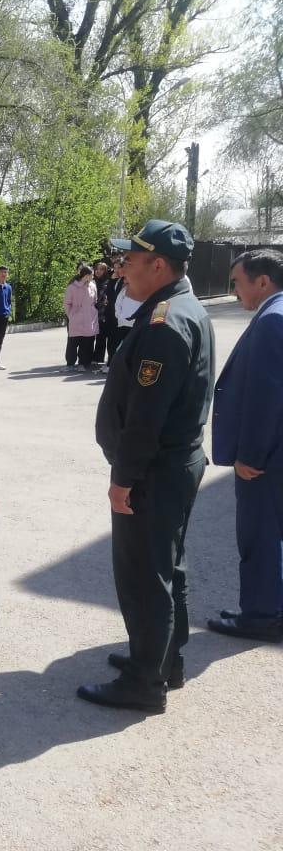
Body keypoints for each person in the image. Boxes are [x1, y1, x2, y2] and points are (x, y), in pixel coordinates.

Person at [80, 219, 214, 713]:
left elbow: (145, 418)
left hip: (154, 469)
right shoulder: (177, 307)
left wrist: (123, 480)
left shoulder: (164, 323)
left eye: (130, 260)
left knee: (143, 575)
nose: (122, 268)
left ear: (158, 265)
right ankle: (163, 661)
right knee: (166, 567)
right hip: (172, 464)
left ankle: (144, 683)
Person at [206, 249, 283, 643]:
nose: (234, 291)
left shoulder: (271, 321)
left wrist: (248, 456)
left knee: (260, 536)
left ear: (262, 281)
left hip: (267, 460)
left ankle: (261, 614)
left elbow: (267, 399)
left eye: (237, 282)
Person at [63, 264, 99, 371]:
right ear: (85, 275)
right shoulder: (72, 287)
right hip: (76, 316)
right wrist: (72, 315)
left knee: (87, 341)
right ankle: (70, 363)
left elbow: (95, 300)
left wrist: (93, 312)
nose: (93, 276)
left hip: (90, 316)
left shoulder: (93, 285)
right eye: (91, 274)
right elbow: (67, 303)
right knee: (73, 341)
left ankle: (82, 363)